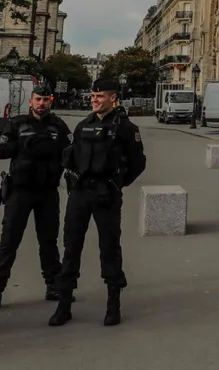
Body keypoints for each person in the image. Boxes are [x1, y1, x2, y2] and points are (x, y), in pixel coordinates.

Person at [49, 77, 146, 328]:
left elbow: (138, 163)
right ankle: (64, 305)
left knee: (109, 248)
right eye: (93, 96)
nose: (94, 100)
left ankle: (113, 304)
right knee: (71, 246)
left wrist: (117, 184)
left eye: (100, 96)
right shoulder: (83, 125)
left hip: (107, 194)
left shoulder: (125, 127)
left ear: (113, 98)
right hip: (80, 193)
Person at [0, 82, 71, 311]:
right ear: (30, 101)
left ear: (51, 101)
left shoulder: (58, 126)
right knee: (8, 242)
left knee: (49, 241)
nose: (41, 103)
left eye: (45, 99)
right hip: (20, 191)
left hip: (48, 191)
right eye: (37, 99)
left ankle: (53, 284)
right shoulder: (17, 124)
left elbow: (71, 153)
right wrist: (21, 143)